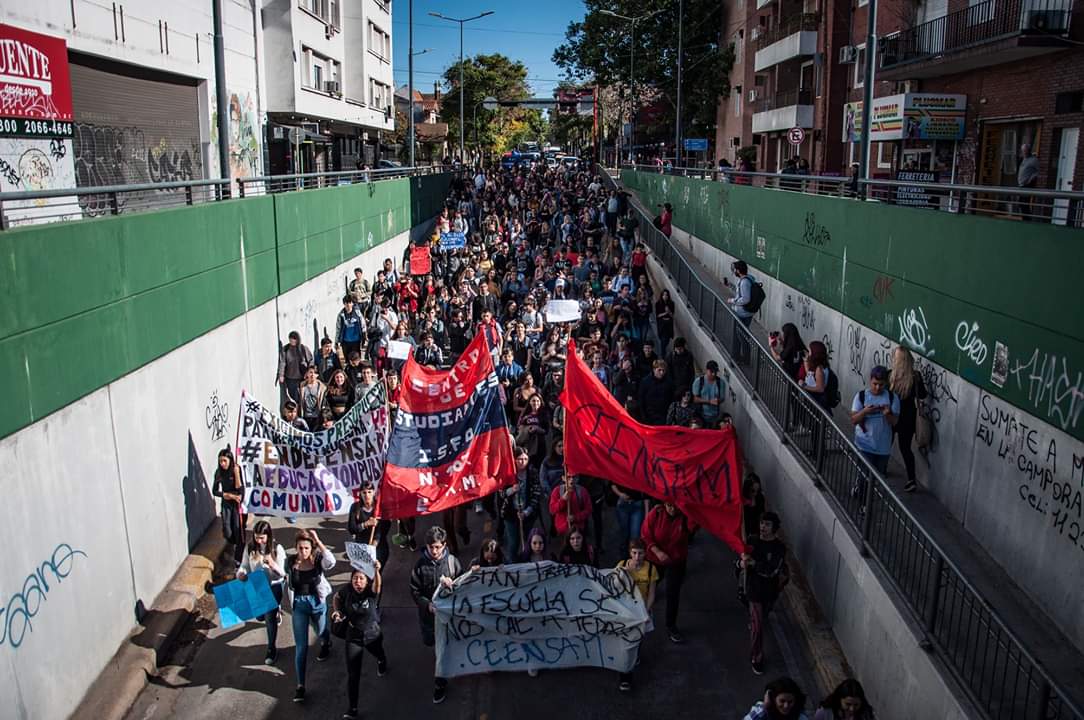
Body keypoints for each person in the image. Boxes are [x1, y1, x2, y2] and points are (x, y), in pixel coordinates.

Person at [409, 526, 462, 704]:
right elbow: (415, 591)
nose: (434, 551)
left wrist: (453, 585)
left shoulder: (452, 562)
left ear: (444, 545)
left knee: (442, 651)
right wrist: (427, 605)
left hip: (447, 618)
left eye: (438, 547)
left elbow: (462, 584)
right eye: (431, 547)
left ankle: (440, 684)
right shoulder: (419, 566)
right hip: (429, 617)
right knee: (429, 641)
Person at [331, 568, 388, 720]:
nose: (358, 582)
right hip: (353, 637)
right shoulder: (347, 591)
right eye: (355, 578)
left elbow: (378, 585)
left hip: (372, 635)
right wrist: (337, 612)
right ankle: (353, 708)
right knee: (353, 674)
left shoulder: (371, 592)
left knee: (378, 652)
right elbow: (336, 597)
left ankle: (382, 660)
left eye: (361, 578)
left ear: (367, 581)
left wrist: (376, 571)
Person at [287, 529, 335, 703]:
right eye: (300, 548)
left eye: (307, 548)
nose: (304, 552)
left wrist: (318, 541)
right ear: (296, 548)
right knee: (301, 647)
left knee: (321, 630)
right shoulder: (290, 562)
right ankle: (300, 685)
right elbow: (281, 575)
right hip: (299, 605)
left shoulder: (318, 560)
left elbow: (331, 562)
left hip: (317, 603)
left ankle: (326, 641)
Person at [741, 512, 789, 675]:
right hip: (754, 590)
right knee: (757, 625)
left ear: (774, 528)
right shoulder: (752, 541)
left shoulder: (779, 548)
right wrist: (741, 563)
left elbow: (772, 570)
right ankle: (757, 656)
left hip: (769, 591)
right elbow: (739, 561)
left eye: (767, 524)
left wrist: (754, 563)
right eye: (762, 523)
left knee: (762, 617)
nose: (763, 527)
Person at [642, 501, 694, 643]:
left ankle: (671, 626)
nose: (672, 509)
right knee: (645, 589)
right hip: (655, 559)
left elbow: (693, 527)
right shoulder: (656, 513)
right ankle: (639, 618)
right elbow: (646, 535)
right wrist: (657, 551)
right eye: (669, 505)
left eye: (675, 506)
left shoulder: (684, 516)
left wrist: (691, 511)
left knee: (672, 593)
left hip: (676, 560)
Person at [237, 520, 286, 665]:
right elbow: (244, 565)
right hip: (258, 586)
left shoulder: (277, 549)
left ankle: (271, 648)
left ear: (268, 536)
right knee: (259, 617)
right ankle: (275, 612)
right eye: (256, 537)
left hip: (274, 586)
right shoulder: (250, 547)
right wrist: (241, 574)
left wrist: (272, 564)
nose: (258, 541)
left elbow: (283, 573)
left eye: (262, 538)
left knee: (269, 618)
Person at [889, 346, 927, 493]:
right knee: (905, 449)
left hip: (892, 415)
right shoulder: (915, 376)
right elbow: (923, 395)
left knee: (887, 443)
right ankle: (911, 479)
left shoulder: (890, 376)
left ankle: (881, 469)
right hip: (908, 419)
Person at [849, 365, 900, 475]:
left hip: (883, 447)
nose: (877, 388)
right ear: (870, 380)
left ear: (886, 383)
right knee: (863, 478)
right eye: (875, 384)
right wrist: (865, 412)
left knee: (878, 479)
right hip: (864, 445)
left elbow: (895, 422)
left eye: (881, 385)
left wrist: (887, 414)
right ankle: (859, 492)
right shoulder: (861, 396)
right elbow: (853, 420)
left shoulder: (892, 398)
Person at [498, 447, 542, 558]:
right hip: (511, 514)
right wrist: (512, 490)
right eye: (519, 459)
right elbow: (501, 494)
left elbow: (537, 493)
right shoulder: (508, 473)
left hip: (528, 513)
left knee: (528, 540)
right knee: (513, 543)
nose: (523, 462)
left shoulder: (532, 472)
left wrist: (526, 512)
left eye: (525, 459)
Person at [212, 448, 246, 566]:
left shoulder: (236, 470)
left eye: (225, 461)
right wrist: (224, 495)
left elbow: (240, 488)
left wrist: (236, 473)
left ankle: (238, 557)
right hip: (226, 502)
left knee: (238, 529)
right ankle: (232, 545)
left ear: (230, 460)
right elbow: (214, 491)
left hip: (236, 504)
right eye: (220, 461)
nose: (222, 464)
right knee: (227, 530)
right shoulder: (218, 473)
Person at [347, 482, 391, 569]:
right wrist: (365, 524)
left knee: (377, 571)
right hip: (362, 546)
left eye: (369, 492)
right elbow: (352, 529)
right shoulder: (355, 508)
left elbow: (386, 527)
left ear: (374, 492)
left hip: (379, 546)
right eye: (364, 492)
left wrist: (375, 542)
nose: (367, 495)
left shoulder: (379, 507)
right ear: (360, 493)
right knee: (364, 572)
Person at [728, 260, 757, 363]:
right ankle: (738, 356)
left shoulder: (744, 282)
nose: (734, 271)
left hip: (743, 313)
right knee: (740, 334)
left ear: (739, 271)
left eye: (735, 269)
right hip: (746, 312)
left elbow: (745, 299)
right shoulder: (749, 279)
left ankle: (745, 358)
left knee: (741, 335)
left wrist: (733, 301)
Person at [742, 676, 810, 720]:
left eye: (790, 702)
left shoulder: (800, 716)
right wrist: (765, 707)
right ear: (773, 699)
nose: (786, 706)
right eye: (782, 701)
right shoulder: (762, 709)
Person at [549, 473, 592, 537]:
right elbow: (552, 510)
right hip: (562, 530)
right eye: (568, 477)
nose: (571, 480)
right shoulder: (557, 491)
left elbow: (588, 510)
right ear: (563, 478)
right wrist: (563, 500)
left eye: (573, 477)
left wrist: (575, 517)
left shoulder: (582, 491)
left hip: (578, 531)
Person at [277, 331, 313, 405]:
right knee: (293, 396)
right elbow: (282, 362)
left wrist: (310, 372)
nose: (292, 341)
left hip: (303, 377)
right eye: (290, 339)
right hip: (291, 378)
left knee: (304, 395)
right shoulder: (286, 349)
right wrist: (281, 374)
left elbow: (311, 361)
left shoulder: (303, 348)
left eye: (294, 339)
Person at [638, 360, 675, 425]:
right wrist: (644, 417)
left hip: (664, 417)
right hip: (649, 417)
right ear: (654, 369)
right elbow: (641, 400)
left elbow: (672, 399)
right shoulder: (645, 382)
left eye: (663, 370)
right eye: (659, 370)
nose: (662, 373)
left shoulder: (669, 382)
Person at [692, 360, 725, 427]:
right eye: (712, 372)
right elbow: (695, 399)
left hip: (715, 415)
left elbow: (722, 398)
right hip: (701, 415)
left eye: (715, 372)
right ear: (707, 370)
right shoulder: (699, 381)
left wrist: (718, 400)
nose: (714, 374)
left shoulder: (721, 383)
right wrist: (709, 401)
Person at [336, 295, 366, 361]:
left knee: (356, 359)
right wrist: (337, 341)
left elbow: (363, 325)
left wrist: (364, 337)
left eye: (349, 303)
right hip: (346, 342)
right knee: (347, 360)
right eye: (346, 303)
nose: (348, 305)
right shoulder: (341, 315)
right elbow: (338, 328)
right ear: (344, 304)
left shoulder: (357, 313)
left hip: (356, 341)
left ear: (352, 303)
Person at [1017, 143, 1040, 221]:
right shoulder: (1024, 159)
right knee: (1021, 203)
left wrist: (1031, 179)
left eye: (1025, 151)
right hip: (1021, 185)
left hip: (1027, 185)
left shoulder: (1034, 160)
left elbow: (1038, 172)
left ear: (1028, 151)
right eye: (1023, 151)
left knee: (1024, 204)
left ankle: (1027, 220)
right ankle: (1024, 218)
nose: (1024, 153)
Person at [742, 474, 766, 542]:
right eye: (752, 491)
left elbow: (761, 514)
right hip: (744, 531)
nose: (755, 493)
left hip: (756, 531)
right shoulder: (742, 500)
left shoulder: (760, 498)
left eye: (757, 491)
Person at [655, 289, 675, 355]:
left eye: (666, 295)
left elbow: (672, 315)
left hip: (668, 324)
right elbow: (658, 315)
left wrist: (669, 311)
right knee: (663, 340)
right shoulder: (658, 304)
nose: (665, 296)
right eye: (664, 295)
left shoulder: (671, 303)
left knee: (667, 340)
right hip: (662, 324)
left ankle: (663, 353)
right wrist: (665, 312)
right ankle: (663, 355)